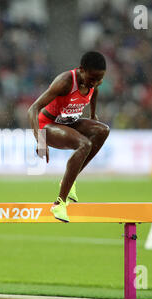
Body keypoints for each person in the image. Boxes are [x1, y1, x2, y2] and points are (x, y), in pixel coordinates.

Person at [28, 51, 110, 222]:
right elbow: (33, 109)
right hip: (47, 126)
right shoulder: (65, 82)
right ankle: (59, 203)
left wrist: (93, 115)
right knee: (85, 145)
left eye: (99, 79)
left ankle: (68, 181)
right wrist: (40, 141)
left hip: (68, 123)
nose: (95, 83)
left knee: (103, 131)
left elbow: (94, 92)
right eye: (92, 78)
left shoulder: (94, 81)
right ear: (81, 70)